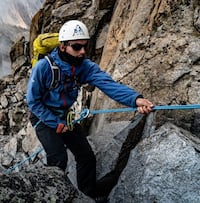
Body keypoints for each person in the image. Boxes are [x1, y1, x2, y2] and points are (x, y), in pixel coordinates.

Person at [26, 20, 153, 199]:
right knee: (58, 160)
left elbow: (109, 85)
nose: (83, 52)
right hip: (42, 117)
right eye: (77, 47)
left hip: (63, 115)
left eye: (85, 46)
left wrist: (135, 99)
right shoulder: (43, 67)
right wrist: (55, 123)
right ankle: (54, 197)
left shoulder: (84, 67)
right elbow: (33, 101)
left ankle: (87, 196)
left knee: (86, 156)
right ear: (62, 47)